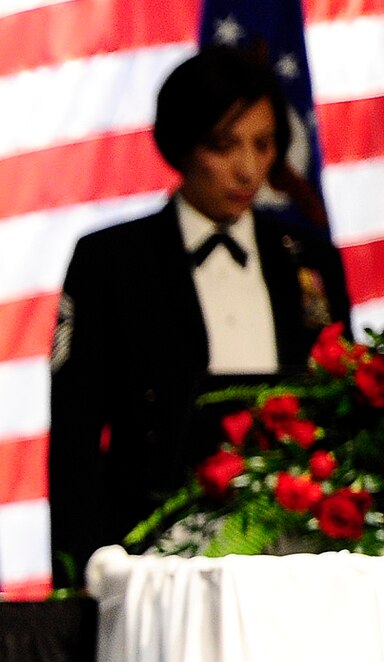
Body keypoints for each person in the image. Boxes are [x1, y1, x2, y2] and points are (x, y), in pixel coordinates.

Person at [48, 46, 351, 584]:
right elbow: (75, 440)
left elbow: (340, 415)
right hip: (153, 559)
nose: (249, 168)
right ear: (181, 146)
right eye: (223, 145)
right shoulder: (111, 261)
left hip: (294, 557)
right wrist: (80, 581)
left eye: (264, 144)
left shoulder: (308, 259)